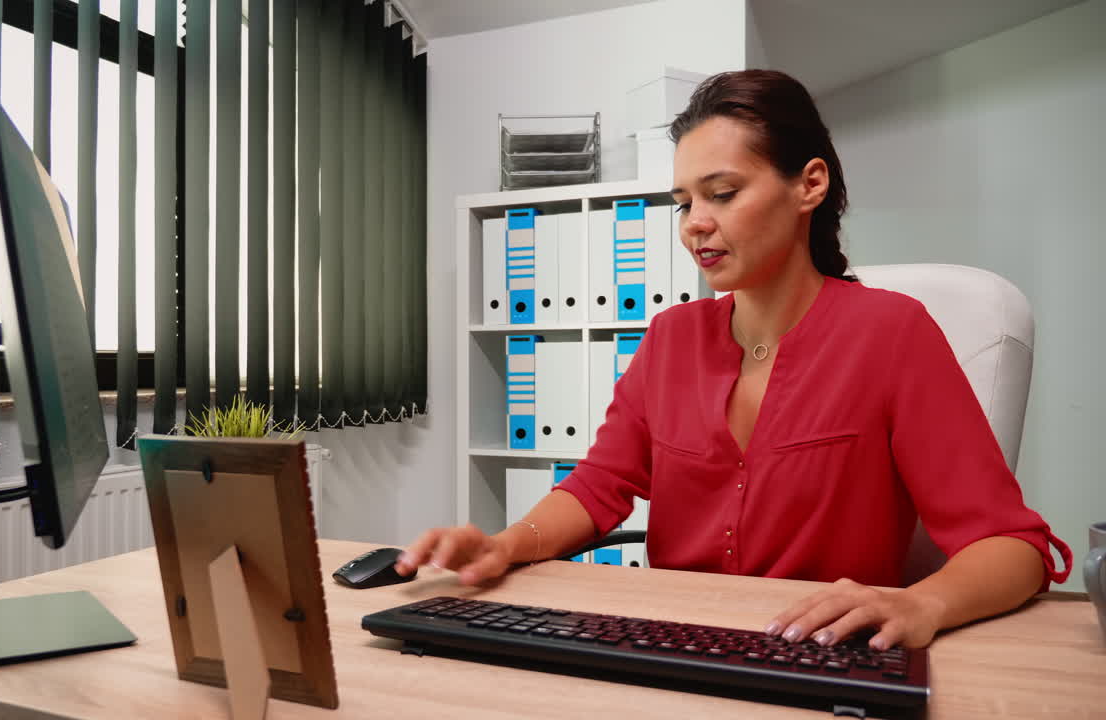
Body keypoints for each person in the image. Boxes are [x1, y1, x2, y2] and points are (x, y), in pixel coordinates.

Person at [396, 70, 1071, 651]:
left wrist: (924, 604)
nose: (694, 221)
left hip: (819, 653)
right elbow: (598, 488)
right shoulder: (669, 338)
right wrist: (506, 546)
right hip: (674, 643)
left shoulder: (893, 333)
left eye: (721, 193)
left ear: (808, 186)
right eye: (684, 201)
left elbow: (1012, 547)